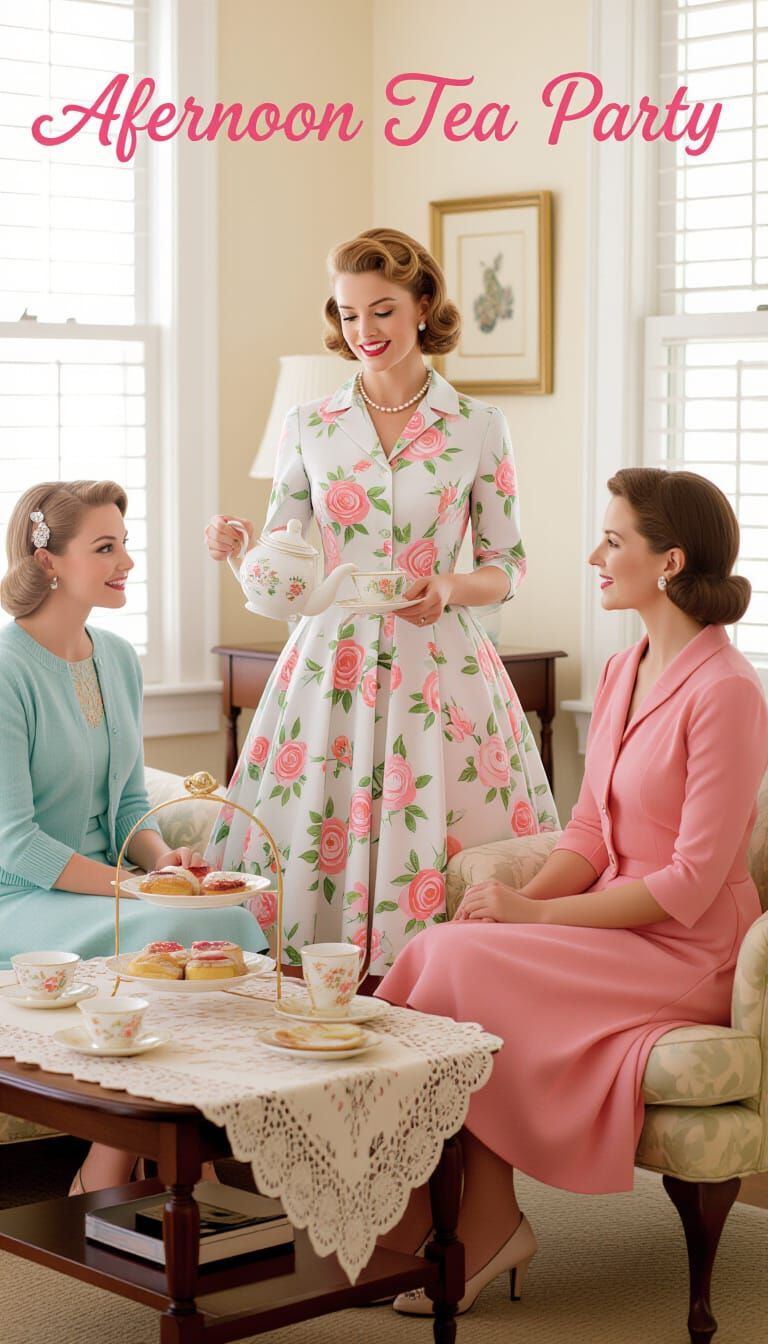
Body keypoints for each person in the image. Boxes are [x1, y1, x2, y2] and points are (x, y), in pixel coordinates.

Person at [374, 467, 768, 1316]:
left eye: (613, 541)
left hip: (691, 948)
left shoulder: (729, 692)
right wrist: (511, 912)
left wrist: (537, 912)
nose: (596, 556)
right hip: (616, 926)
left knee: (461, 962)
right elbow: (588, 832)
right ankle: (438, 1204)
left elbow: (690, 883)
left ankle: (477, 1220)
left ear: (669, 561)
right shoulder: (626, 668)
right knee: (451, 948)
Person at [204, 228, 557, 972]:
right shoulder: (309, 425)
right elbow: (285, 563)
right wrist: (239, 547)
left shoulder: (478, 426)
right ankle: (312, 989)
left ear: (423, 305)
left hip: (441, 663)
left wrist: (451, 586)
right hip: (330, 663)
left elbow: (508, 565)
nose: (364, 330)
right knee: (315, 830)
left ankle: (430, 986)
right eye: (349, 313)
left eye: (383, 310)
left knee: (435, 825)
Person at [0, 481, 268, 1192]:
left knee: (223, 918)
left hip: (103, 886)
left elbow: (127, 807)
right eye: (105, 548)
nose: (126, 562)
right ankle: (111, 1163)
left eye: (125, 544)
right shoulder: (5, 671)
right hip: (20, 897)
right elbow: (17, 844)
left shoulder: (117, 657)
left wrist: (163, 859)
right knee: (170, 927)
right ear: (48, 559)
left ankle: (177, 1145)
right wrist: (139, 888)